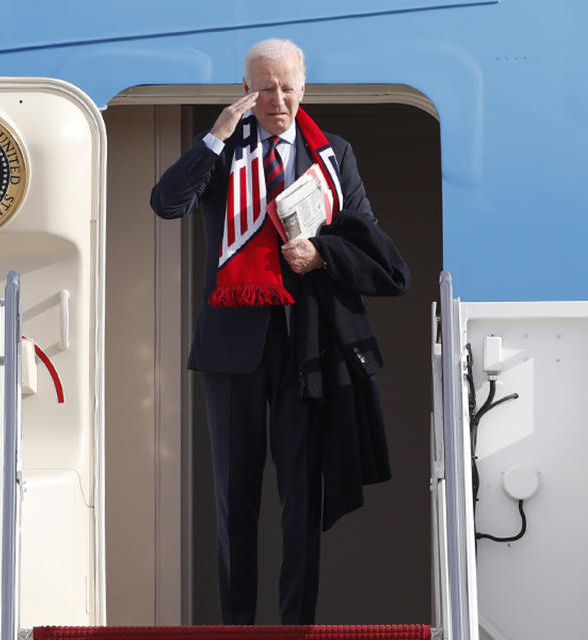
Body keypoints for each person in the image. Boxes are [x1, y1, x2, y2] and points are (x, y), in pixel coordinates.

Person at [150, 38, 408, 625]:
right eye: (264, 88)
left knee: (301, 501)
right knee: (234, 502)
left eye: (288, 86)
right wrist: (215, 136)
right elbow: (166, 204)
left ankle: (296, 629)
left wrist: (320, 256)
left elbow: (370, 246)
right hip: (232, 346)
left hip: (307, 347)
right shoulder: (222, 151)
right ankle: (238, 629)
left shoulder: (332, 153)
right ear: (246, 92)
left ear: (303, 87)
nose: (278, 99)